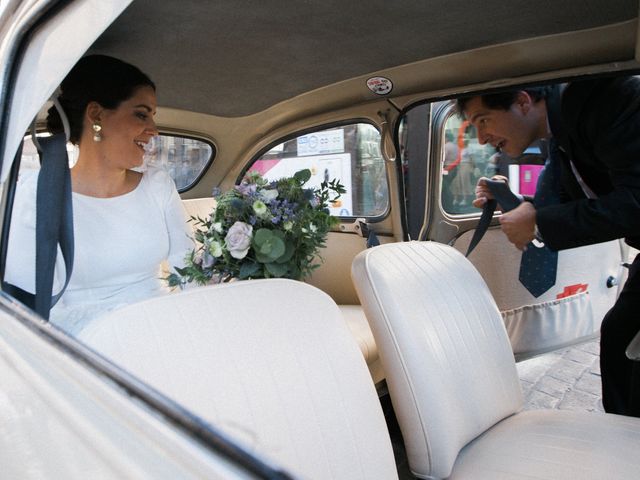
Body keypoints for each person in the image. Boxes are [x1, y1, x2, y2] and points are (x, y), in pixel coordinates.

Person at [457, 77, 640, 417]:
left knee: (625, 346)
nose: (481, 138)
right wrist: (508, 198)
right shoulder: (560, 136)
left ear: (523, 102)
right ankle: (624, 436)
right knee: (618, 336)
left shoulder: (608, 100)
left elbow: (636, 203)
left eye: (483, 121)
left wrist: (537, 221)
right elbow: (555, 206)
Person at [5, 55, 194, 335]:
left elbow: (190, 274)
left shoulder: (158, 185)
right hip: (83, 347)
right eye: (142, 114)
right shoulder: (38, 192)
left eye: (152, 116)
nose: (153, 130)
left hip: (159, 331)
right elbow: (21, 304)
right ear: (96, 115)